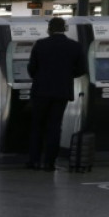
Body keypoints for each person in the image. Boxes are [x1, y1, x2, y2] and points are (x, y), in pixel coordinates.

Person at [27, 16, 86, 171]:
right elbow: (82, 69)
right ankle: (50, 163)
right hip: (62, 92)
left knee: (37, 126)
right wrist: (66, 76)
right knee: (54, 126)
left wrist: (40, 77)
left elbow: (31, 68)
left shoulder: (41, 45)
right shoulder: (75, 46)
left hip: (41, 91)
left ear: (49, 29)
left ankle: (34, 161)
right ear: (65, 28)